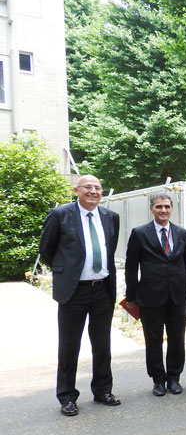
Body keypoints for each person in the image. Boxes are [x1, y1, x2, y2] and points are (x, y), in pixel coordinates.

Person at [39, 174, 121, 416]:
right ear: (76, 190)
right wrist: (67, 271)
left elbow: (109, 248)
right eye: (88, 187)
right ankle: (67, 396)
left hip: (102, 289)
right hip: (74, 291)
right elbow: (47, 249)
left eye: (98, 187)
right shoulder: (61, 215)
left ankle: (102, 390)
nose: (94, 191)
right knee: (69, 345)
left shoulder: (110, 217)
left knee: (102, 344)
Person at [124, 194, 186, 397]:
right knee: (153, 340)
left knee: (177, 339)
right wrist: (132, 296)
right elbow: (131, 267)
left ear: (172, 209)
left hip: (177, 296)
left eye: (167, 207)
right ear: (152, 209)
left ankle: (174, 378)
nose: (163, 210)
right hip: (150, 296)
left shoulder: (182, 233)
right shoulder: (139, 233)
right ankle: (158, 380)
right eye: (158, 207)